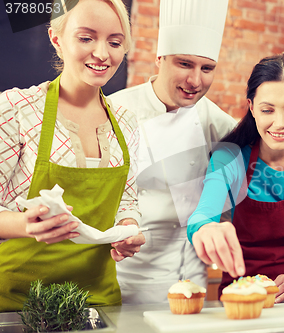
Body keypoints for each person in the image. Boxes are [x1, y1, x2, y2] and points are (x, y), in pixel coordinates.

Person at [0, 0, 145, 312]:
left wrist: (128, 228)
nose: (103, 54)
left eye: (115, 42)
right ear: (57, 39)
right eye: (86, 38)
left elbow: (126, 201)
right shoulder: (17, 110)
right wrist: (26, 225)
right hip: (16, 303)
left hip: (97, 301)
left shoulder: (126, 120)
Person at [108, 0, 236, 304]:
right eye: (184, 64)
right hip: (120, 277)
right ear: (159, 58)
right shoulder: (114, 110)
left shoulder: (219, 123)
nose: (195, 81)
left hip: (190, 282)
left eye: (207, 68)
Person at [187, 52, 284, 303]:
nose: (279, 124)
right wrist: (204, 228)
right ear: (252, 108)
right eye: (267, 110)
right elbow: (203, 214)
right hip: (242, 291)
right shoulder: (230, 157)